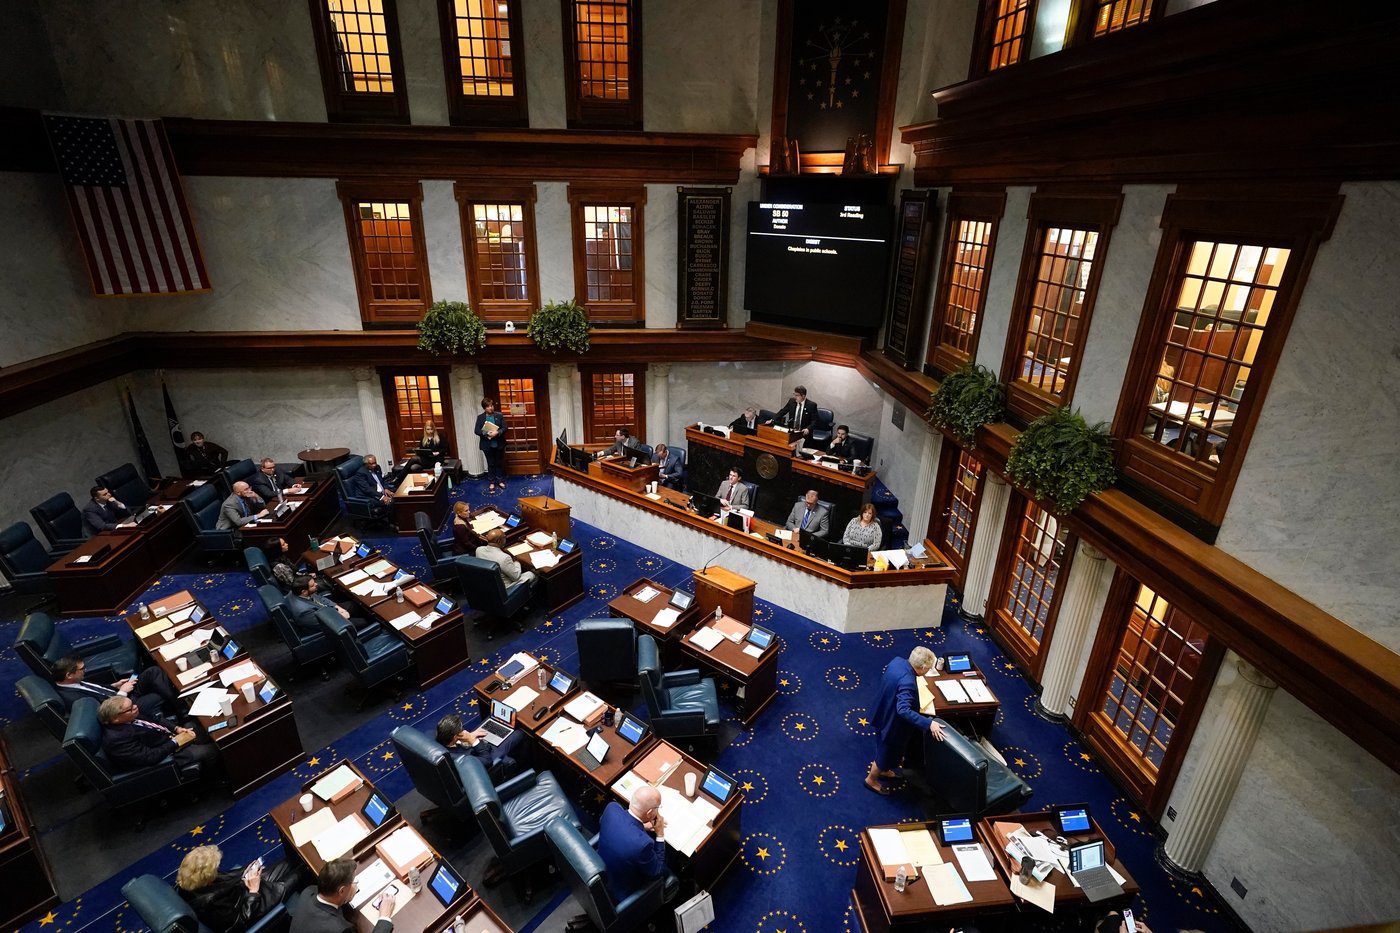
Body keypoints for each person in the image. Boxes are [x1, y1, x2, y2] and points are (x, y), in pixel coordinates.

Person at [866, 646, 946, 794]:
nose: (928, 671)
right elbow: (903, 710)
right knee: (885, 754)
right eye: (928, 669)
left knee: (884, 747)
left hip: (883, 712)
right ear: (922, 668)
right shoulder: (908, 682)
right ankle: (871, 780)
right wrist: (929, 723)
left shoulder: (897, 661)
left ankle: (884, 769)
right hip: (892, 725)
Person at [176, 845, 300, 933]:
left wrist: (246, 872)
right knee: (300, 872)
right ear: (208, 878)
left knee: (290, 861)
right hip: (254, 904)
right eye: (215, 870)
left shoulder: (189, 881)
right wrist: (253, 891)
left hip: (242, 891)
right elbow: (240, 922)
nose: (217, 870)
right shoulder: (211, 905)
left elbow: (227, 880)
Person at [97, 694, 218, 778]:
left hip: (169, 738)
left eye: (133, 704)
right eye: (130, 709)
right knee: (212, 750)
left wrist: (177, 728)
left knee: (208, 728)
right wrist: (176, 741)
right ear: (115, 719)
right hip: (167, 757)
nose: (135, 707)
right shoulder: (118, 740)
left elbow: (156, 719)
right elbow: (150, 757)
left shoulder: (129, 715)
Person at [597, 786, 669, 902]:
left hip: (601, 868)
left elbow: (604, 821)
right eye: (658, 807)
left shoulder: (611, 808)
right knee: (666, 869)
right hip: (623, 888)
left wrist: (640, 827)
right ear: (650, 813)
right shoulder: (643, 844)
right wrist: (660, 834)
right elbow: (657, 870)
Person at [53, 655, 177, 721]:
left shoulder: (74, 680)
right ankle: (179, 704)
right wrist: (122, 693)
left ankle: (176, 699)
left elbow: (96, 690)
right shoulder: (74, 698)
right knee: (158, 693)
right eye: (82, 669)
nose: (85, 670)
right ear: (69, 675)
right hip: (124, 708)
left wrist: (114, 685)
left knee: (153, 671)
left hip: (120, 693)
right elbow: (104, 713)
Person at [289, 858, 393, 933]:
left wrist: (345, 897)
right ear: (342, 890)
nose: (356, 885)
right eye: (354, 882)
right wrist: (384, 917)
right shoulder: (341, 929)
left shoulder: (308, 891)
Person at [434, 713, 526, 783]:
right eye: (461, 730)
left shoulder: (441, 740)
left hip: (475, 748)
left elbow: (458, 746)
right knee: (520, 733)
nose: (464, 730)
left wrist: (471, 735)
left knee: (492, 718)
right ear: (455, 737)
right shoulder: (462, 759)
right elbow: (487, 760)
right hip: (487, 757)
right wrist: (473, 741)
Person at [286, 575, 358, 635]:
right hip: (331, 627)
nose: (316, 584)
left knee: (353, 604)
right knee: (362, 621)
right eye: (313, 585)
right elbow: (326, 624)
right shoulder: (304, 611)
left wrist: (338, 608)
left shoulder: (297, 591)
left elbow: (320, 598)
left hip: (327, 610)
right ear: (304, 591)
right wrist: (342, 616)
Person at [475, 397, 507, 494]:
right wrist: (486, 433)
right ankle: (492, 482)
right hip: (487, 444)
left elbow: (505, 427)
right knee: (491, 463)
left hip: (498, 443)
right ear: (484, 408)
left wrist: (498, 432)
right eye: (488, 406)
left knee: (499, 463)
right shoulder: (480, 417)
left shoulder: (499, 415)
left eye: (491, 405)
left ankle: (500, 481)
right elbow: (476, 430)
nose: (491, 408)